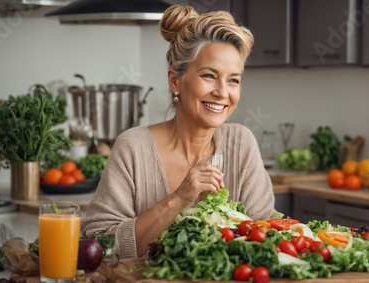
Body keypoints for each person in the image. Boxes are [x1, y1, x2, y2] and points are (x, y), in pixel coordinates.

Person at [82, 5, 276, 259]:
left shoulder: (241, 143)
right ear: (175, 81)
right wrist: (178, 199)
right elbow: (100, 244)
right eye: (209, 75)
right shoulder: (134, 147)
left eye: (233, 80)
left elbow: (267, 234)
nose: (222, 92)